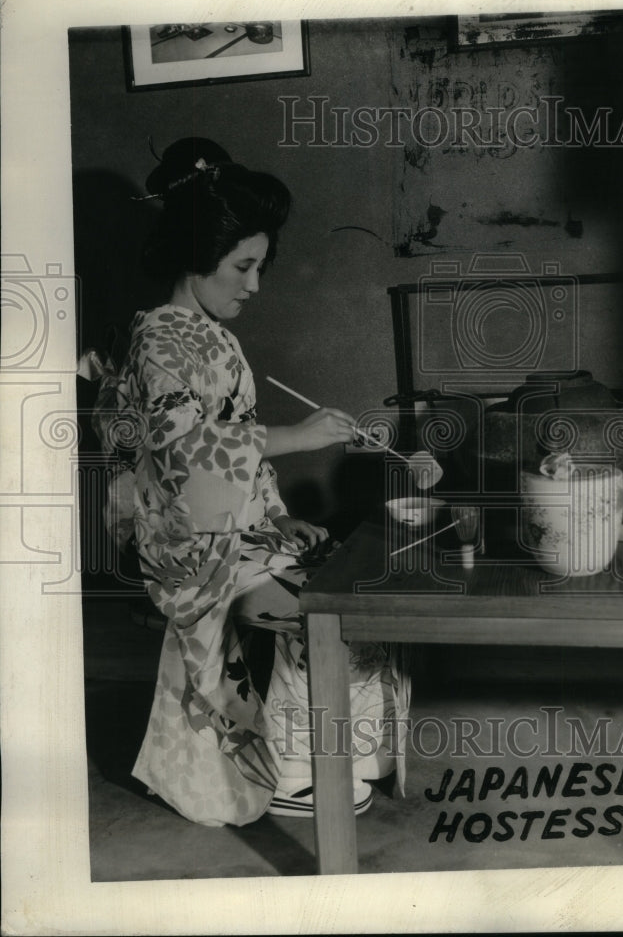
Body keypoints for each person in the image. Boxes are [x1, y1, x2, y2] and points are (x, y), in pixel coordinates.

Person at [94, 138, 408, 826]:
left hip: (229, 531)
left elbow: (238, 458)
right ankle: (297, 767)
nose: (254, 285)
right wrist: (299, 435)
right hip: (186, 544)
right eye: (242, 266)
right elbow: (187, 453)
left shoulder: (214, 338)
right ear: (194, 257)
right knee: (323, 610)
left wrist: (274, 517)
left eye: (260, 267)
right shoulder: (159, 339)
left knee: (356, 582)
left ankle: (351, 750)